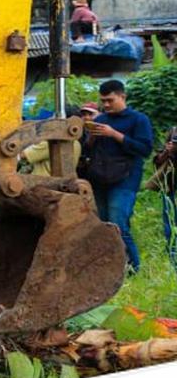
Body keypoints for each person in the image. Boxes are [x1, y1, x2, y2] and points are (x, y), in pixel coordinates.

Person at [84, 79, 154, 273]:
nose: (106, 105)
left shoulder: (139, 120)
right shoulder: (100, 120)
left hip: (125, 179)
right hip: (100, 178)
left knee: (118, 224)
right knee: (104, 226)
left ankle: (134, 268)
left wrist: (115, 134)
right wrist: (90, 139)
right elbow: (89, 151)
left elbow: (145, 149)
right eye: (103, 101)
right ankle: (111, 269)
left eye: (110, 100)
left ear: (122, 97)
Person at [145, 126, 177, 271]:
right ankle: (173, 260)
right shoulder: (174, 131)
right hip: (170, 188)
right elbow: (158, 163)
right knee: (170, 226)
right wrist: (169, 151)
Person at [21, 105, 82, 176]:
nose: (50, 120)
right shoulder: (76, 143)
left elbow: (23, 155)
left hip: (43, 183)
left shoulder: (52, 142)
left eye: (53, 118)